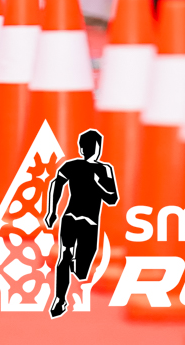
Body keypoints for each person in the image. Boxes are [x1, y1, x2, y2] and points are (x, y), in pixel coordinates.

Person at [42, 127, 118, 319]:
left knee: (75, 263)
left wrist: (52, 211)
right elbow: (56, 184)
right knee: (69, 258)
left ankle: (66, 289)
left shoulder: (92, 168)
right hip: (79, 220)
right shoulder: (87, 167)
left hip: (80, 220)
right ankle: (60, 298)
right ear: (87, 148)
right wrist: (52, 211)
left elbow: (112, 198)